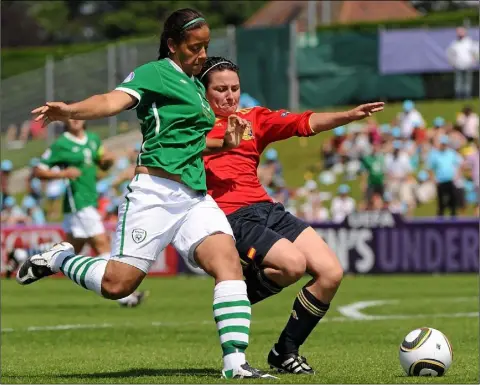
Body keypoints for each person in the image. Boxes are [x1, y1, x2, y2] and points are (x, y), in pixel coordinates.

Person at [16, 9, 273, 379]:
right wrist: (70, 110)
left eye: (205, 47)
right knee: (117, 284)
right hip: (155, 192)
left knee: (228, 264)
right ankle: (59, 260)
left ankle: (235, 365)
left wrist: (224, 142)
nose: (201, 55)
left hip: (194, 197)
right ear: (172, 45)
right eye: (194, 47)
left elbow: (190, 142)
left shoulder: (197, 86)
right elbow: (110, 101)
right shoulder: (155, 73)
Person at [199, 56, 384, 374]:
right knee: (292, 265)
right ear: (203, 92)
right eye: (221, 89)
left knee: (331, 273)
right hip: (231, 216)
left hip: (268, 209)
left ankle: (284, 351)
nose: (230, 95)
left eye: (235, 88)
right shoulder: (191, 126)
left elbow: (303, 123)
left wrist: (349, 116)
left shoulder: (253, 119)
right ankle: (234, 297)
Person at [427, 135, 463, 217]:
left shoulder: (451, 153)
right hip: (440, 181)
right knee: (441, 202)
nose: (444, 145)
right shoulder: (435, 154)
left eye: (445, 144)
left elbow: (459, 165)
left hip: (450, 180)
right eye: (442, 144)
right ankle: (440, 219)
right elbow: (430, 168)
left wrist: (457, 176)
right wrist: (433, 179)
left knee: (453, 200)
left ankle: (453, 217)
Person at [446, 27, 479, 100]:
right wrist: (452, 63)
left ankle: (467, 96)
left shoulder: (469, 42)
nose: (460, 33)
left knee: (467, 81)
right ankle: (459, 96)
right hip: (458, 65)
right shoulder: (454, 43)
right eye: (458, 32)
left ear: (465, 32)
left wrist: (474, 60)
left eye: (461, 32)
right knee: (459, 81)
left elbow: (475, 52)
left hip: (468, 64)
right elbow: (450, 53)